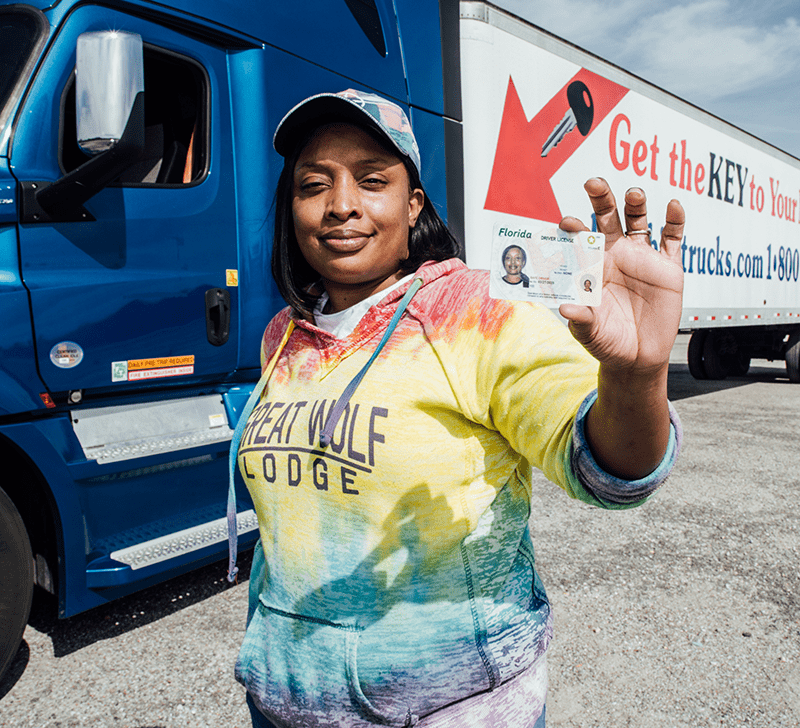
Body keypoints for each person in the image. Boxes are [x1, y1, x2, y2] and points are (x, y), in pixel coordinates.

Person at [228, 89, 685, 728]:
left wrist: (636, 376)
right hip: (283, 703)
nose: (341, 205)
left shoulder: (474, 312)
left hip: (450, 709)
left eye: (371, 180)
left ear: (413, 204)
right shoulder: (284, 334)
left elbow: (610, 468)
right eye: (314, 184)